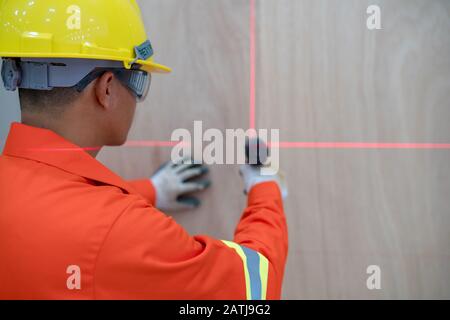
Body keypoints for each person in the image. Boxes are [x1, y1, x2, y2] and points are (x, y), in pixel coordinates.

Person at [0, 0, 288, 299]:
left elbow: (55, 205)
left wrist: (152, 190)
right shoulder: (124, 230)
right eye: (139, 79)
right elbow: (255, 287)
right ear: (107, 88)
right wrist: (265, 186)